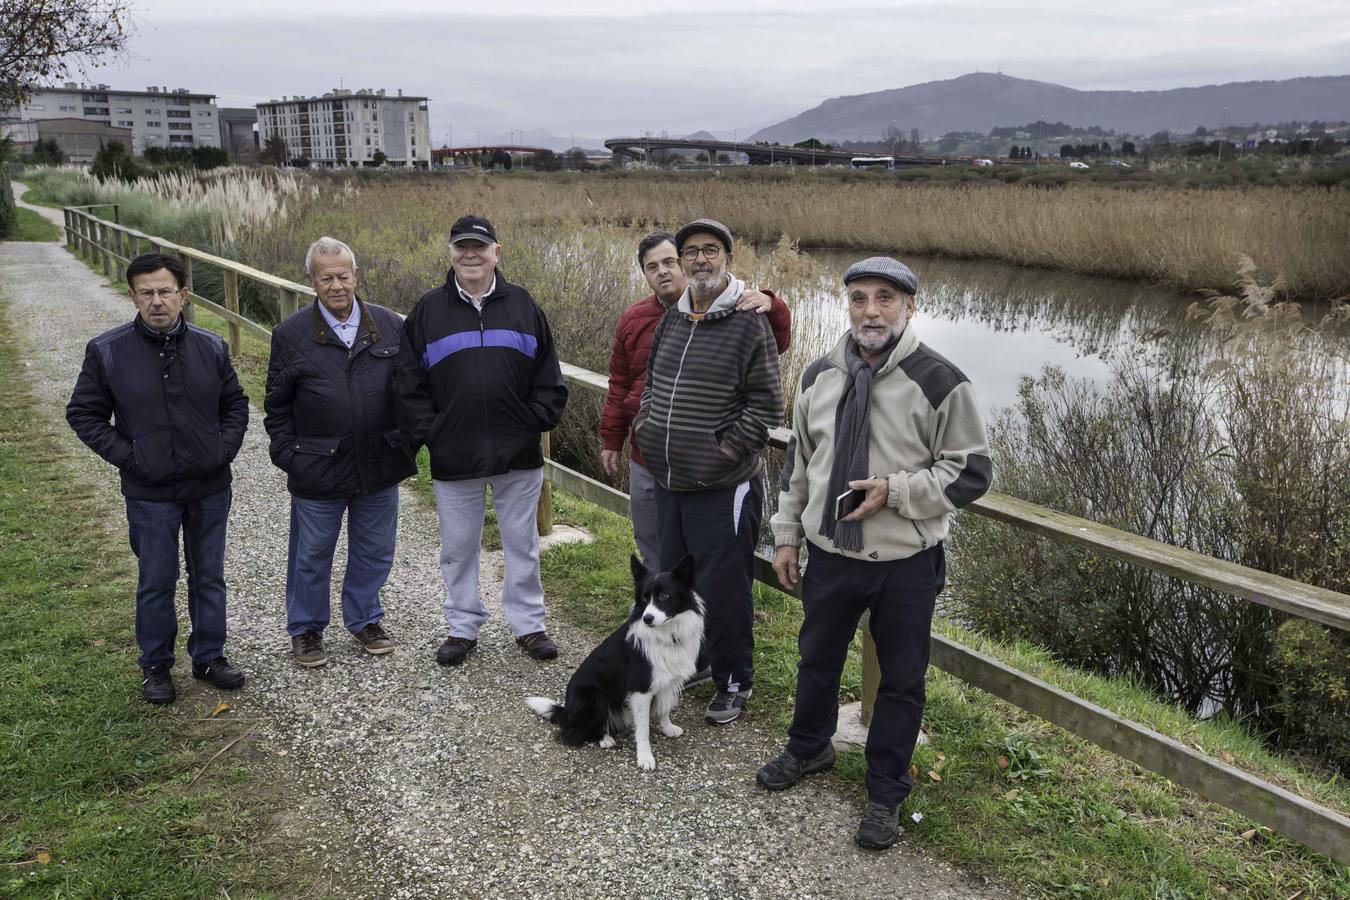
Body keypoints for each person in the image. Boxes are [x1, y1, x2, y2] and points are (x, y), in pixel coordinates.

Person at [759, 256, 992, 850]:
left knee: (902, 682)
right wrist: (787, 534)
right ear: (847, 304)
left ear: (909, 306)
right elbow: (799, 466)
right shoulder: (818, 375)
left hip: (905, 564)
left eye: (885, 298)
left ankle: (886, 791)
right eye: (859, 297)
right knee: (816, 661)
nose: (871, 310)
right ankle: (809, 748)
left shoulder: (940, 379)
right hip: (830, 553)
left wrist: (896, 491)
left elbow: (971, 472)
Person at [66, 251, 250, 704]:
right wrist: (131, 457)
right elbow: (84, 414)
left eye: (165, 291)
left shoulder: (210, 347)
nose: (156, 302)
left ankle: (209, 656)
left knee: (209, 575)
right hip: (149, 493)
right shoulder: (108, 351)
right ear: (132, 296)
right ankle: (156, 668)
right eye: (145, 293)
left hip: (209, 487)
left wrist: (222, 449)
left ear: (183, 294)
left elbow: (237, 405)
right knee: (156, 580)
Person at [396, 215, 568, 667]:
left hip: (518, 455)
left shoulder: (524, 305)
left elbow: (549, 376)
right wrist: (432, 432)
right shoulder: (428, 310)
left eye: (479, 247)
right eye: (461, 247)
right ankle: (462, 627)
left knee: (522, 543)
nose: (470, 255)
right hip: (455, 454)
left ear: (497, 251)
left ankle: (529, 625)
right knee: (457, 547)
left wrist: (533, 421)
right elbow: (407, 383)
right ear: (450, 253)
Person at [633, 218, 784, 725]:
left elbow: (768, 404)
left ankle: (734, 679)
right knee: (676, 585)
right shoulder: (674, 319)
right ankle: (694, 662)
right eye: (691, 251)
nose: (700, 259)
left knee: (724, 588)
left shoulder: (749, 321)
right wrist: (647, 429)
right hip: (670, 480)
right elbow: (652, 382)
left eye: (711, 250)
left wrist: (725, 450)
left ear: (727, 258)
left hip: (723, 486)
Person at [264, 237, 417, 668]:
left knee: (375, 549)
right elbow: (276, 406)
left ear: (356, 275)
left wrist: (406, 441)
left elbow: (412, 394)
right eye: (326, 277)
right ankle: (307, 628)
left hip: (379, 463)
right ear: (311, 280)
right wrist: (289, 455)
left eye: (343, 275)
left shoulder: (389, 326)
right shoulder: (291, 334)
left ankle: (365, 618)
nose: (336, 285)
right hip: (318, 465)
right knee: (312, 552)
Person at [599, 230, 792, 569]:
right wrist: (623, 434)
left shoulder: (743, 313)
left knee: (717, 578)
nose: (663, 271)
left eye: (669, 261)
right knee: (657, 555)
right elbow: (623, 383)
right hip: (652, 463)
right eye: (652, 266)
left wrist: (773, 304)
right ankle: (660, 616)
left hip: (712, 475)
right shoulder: (644, 319)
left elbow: (773, 366)